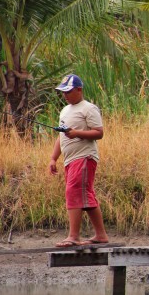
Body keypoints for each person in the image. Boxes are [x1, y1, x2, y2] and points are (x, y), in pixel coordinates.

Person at [49, 74, 109, 247]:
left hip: (84, 157)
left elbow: (99, 132)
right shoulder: (65, 111)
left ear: (79, 90)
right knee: (85, 195)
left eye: (68, 91)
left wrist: (77, 133)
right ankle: (101, 235)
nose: (65, 95)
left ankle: (73, 236)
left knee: (73, 191)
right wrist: (54, 158)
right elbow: (61, 137)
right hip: (69, 160)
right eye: (63, 92)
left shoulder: (88, 108)